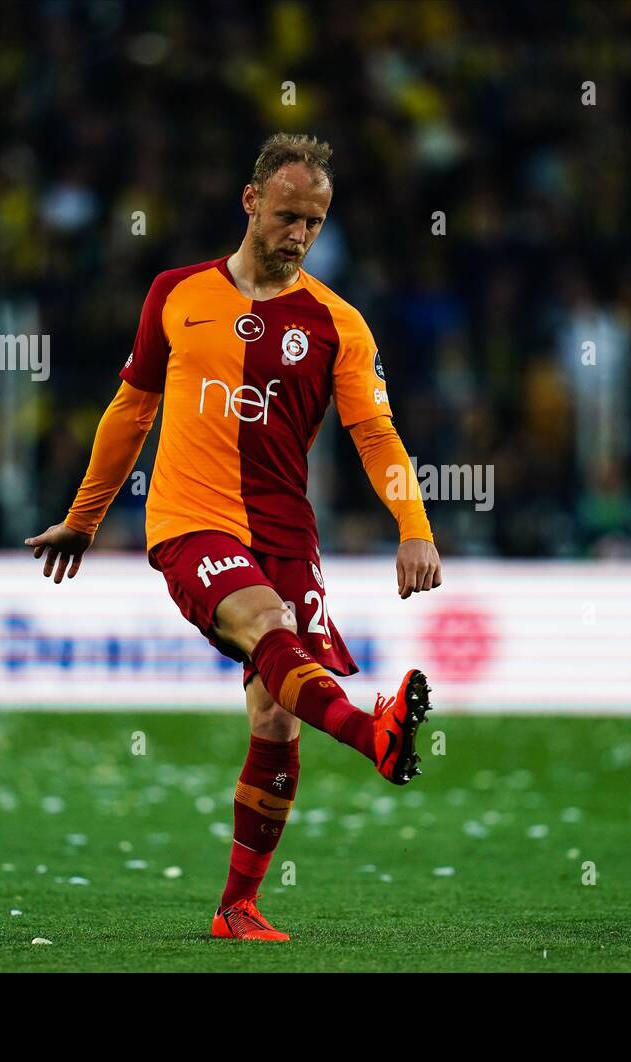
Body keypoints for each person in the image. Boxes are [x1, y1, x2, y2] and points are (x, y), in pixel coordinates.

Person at [25, 134, 442, 941]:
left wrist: (415, 527)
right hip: (190, 521)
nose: (298, 234)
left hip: (286, 533)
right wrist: (84, 517)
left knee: (278, 719)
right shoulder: (176, 293)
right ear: (251, 202)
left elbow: (377, 435)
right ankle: (372, 733)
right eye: (287, 215)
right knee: (268, 626)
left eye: (313, 223)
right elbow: (130, 413)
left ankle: (236, 909)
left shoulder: (338, 325)